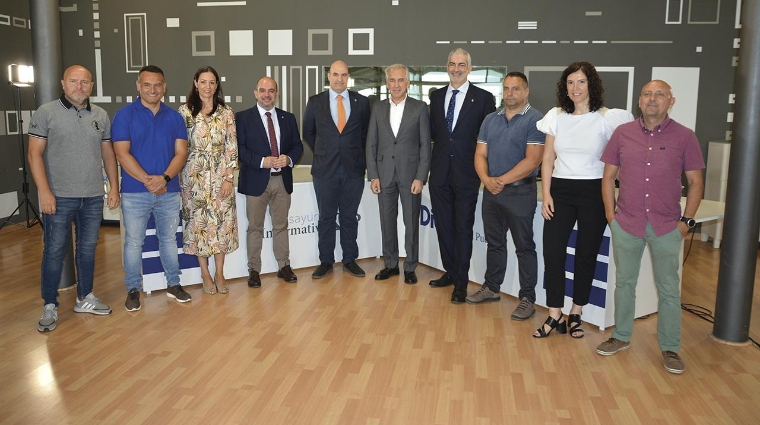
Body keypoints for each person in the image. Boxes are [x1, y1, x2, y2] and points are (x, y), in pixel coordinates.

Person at [596, 80, 704, 374]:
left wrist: (686, 222)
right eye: (647, 94)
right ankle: (621, 336)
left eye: (659, 94)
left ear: (671, 101)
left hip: (667, 226)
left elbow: (696, 183)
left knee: (669, 290)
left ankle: (670, 348)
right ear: (639, 101)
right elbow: (608, 178)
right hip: (626, 222)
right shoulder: (622, 133)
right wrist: (611, 217)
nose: (652, 99)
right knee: (624, 285)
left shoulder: (685, 137)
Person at [533, 62, 633, 338]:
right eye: (570, 83)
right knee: (553, 252)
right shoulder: (556, 116)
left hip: (594, 192)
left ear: (591, 85)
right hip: (561, 192)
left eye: (581, 82)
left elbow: (619, 161)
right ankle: (555, 314)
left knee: (586, 255)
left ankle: (576, 312)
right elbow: (548, 159)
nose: (575, 88)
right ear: (564, 87)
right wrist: (547, 195)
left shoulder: (606, 118)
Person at [27, 65, 119, 332]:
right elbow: (34, 155)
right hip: (58, 196)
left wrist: (113, 187)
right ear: (63, 84)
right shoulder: (46, 113)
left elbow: (108, 155)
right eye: (74, 81)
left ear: (92, 85)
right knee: (54, 251)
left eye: (85, 82)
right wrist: (44, 192)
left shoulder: (100, 115)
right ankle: (50, 305)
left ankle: (85, 297)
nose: (79, 86)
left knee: (88, 250)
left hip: (91, 196)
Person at [112, 65, 191, 311]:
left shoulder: (174, 117)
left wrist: (164, 178)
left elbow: (181, 152)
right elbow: (121, 154)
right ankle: (133, 289)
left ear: (164, 87)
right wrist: (149, 180)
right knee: (133, 242)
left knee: (168, 239)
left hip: (168, 190)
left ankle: (173, 284)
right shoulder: (124, 115)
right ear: (138, 86)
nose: (152, 89)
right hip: (135, 192)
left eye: (157, 85)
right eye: (147, 84)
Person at [467, 72, 545, 317]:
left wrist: (500, 180)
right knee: (495, 243)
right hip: (491, 192)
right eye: (506, 89)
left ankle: (527, 298)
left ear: (526, 91)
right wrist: (486, 180)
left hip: (520, 193)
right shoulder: (491, 119)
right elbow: (480, 154)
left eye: (516, 89)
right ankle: (492, 287)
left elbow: (533, 160)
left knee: (524, 246)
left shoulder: (536, 119)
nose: (510, 94)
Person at [428, 48, 496, 303]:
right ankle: (450, 270)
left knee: (462, 228)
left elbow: (487, 139)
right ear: (447, 66)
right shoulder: (435, 97)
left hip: (467, 175)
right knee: (444, 227)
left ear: (469, 68)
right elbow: (435, 135)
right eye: (452, 64)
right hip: (440, 175)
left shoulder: (484, 99)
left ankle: (461, 281)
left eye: (461, 65)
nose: (456, 69)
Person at [303, 60, 371, 279]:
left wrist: (350, 153)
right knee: (326, 218)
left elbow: (365, 135)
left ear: (348, 76)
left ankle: (350, 259)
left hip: (353, 170)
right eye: (335, 74)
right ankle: (326, 261)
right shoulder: (315, 102)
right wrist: (325, 152)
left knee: (350, 217)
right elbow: (309, 133)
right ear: (329, 76)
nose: (339, 79)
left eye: (343, 75)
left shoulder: (362, 102)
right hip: (325, 170)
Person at [366, 64, 431, 284]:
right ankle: (391, 265)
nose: (396, 85)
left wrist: (421, 177)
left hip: (410, 176)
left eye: (400, 80)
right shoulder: (377, 108)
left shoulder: (420, 108)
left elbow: (425, 145)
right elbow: (371, 144)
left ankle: (410, 266)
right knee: (387, 221)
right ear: (387, 83)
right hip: (384, 175)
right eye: (392, 80)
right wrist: (373, 175)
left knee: (411, 222)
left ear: (408, 83)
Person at [237, 76, 304, 287]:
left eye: (271, 90)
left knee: (281, 226)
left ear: (276, 94)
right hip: (256, 181)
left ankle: (284, 265)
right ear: (255, 93)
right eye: (263, 90)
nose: (267, 94)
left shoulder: (288, 118)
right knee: (255, 228)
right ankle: (254, 270)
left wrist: (289, 159)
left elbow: (297, 146)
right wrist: (262, 161)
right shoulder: (242, 118)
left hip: (281, 181)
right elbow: (240, 149)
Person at [178, 66, 239, 295]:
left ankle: (220, 272)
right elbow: (179, 147)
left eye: (212, 82)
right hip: (193, 180)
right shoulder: (184, 112)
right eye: (203, 82)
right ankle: (205, 273)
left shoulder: (226, 113)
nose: (207, 86)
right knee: (200, 228)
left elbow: (232, 147)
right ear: (195, 83)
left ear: (217, 85)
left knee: (221, 228)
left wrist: (228, 178)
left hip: (221, 179)